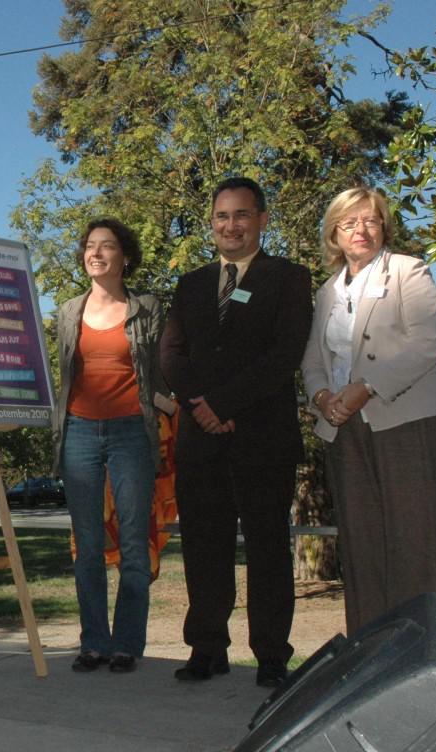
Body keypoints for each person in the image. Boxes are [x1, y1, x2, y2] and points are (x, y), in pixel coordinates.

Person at [160, 177, 312, 688]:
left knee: (268, 549)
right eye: (222, 217)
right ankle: (207, 647)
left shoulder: (289, 279)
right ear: (213, 223)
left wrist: (222, 404)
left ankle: (271, 655)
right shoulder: (191, 285)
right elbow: (171, 356)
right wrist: (201, 408)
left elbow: (285, 354)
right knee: (205, 547)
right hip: (201, 443)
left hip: (262, 438)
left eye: (242, 215)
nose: (231, 225)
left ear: (262, 220)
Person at [302, 186, 436, 636]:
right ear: (334, 233)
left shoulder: (410, 271)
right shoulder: (327, 292)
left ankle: (423, 653)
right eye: (349, 223)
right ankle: (369, 652)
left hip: (407, 426)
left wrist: (365, 388)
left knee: (414, 548)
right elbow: (313, 361)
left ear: (384, 225)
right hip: (344, 432)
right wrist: (324, 398)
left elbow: (427, 344)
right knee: (362, 549)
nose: (360, 230)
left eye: (370, 220)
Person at [53, 218, 164, 674]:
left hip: (131, 433)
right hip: (78, 432)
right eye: (89, 246)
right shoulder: (66, 311)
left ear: (124, 256)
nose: (95, 253)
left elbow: (161, 369)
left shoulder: (148, 307)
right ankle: (93, 642)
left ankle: (126, 644)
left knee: (135, 543)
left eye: (107, 246)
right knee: (88, 545)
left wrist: (169, 403)